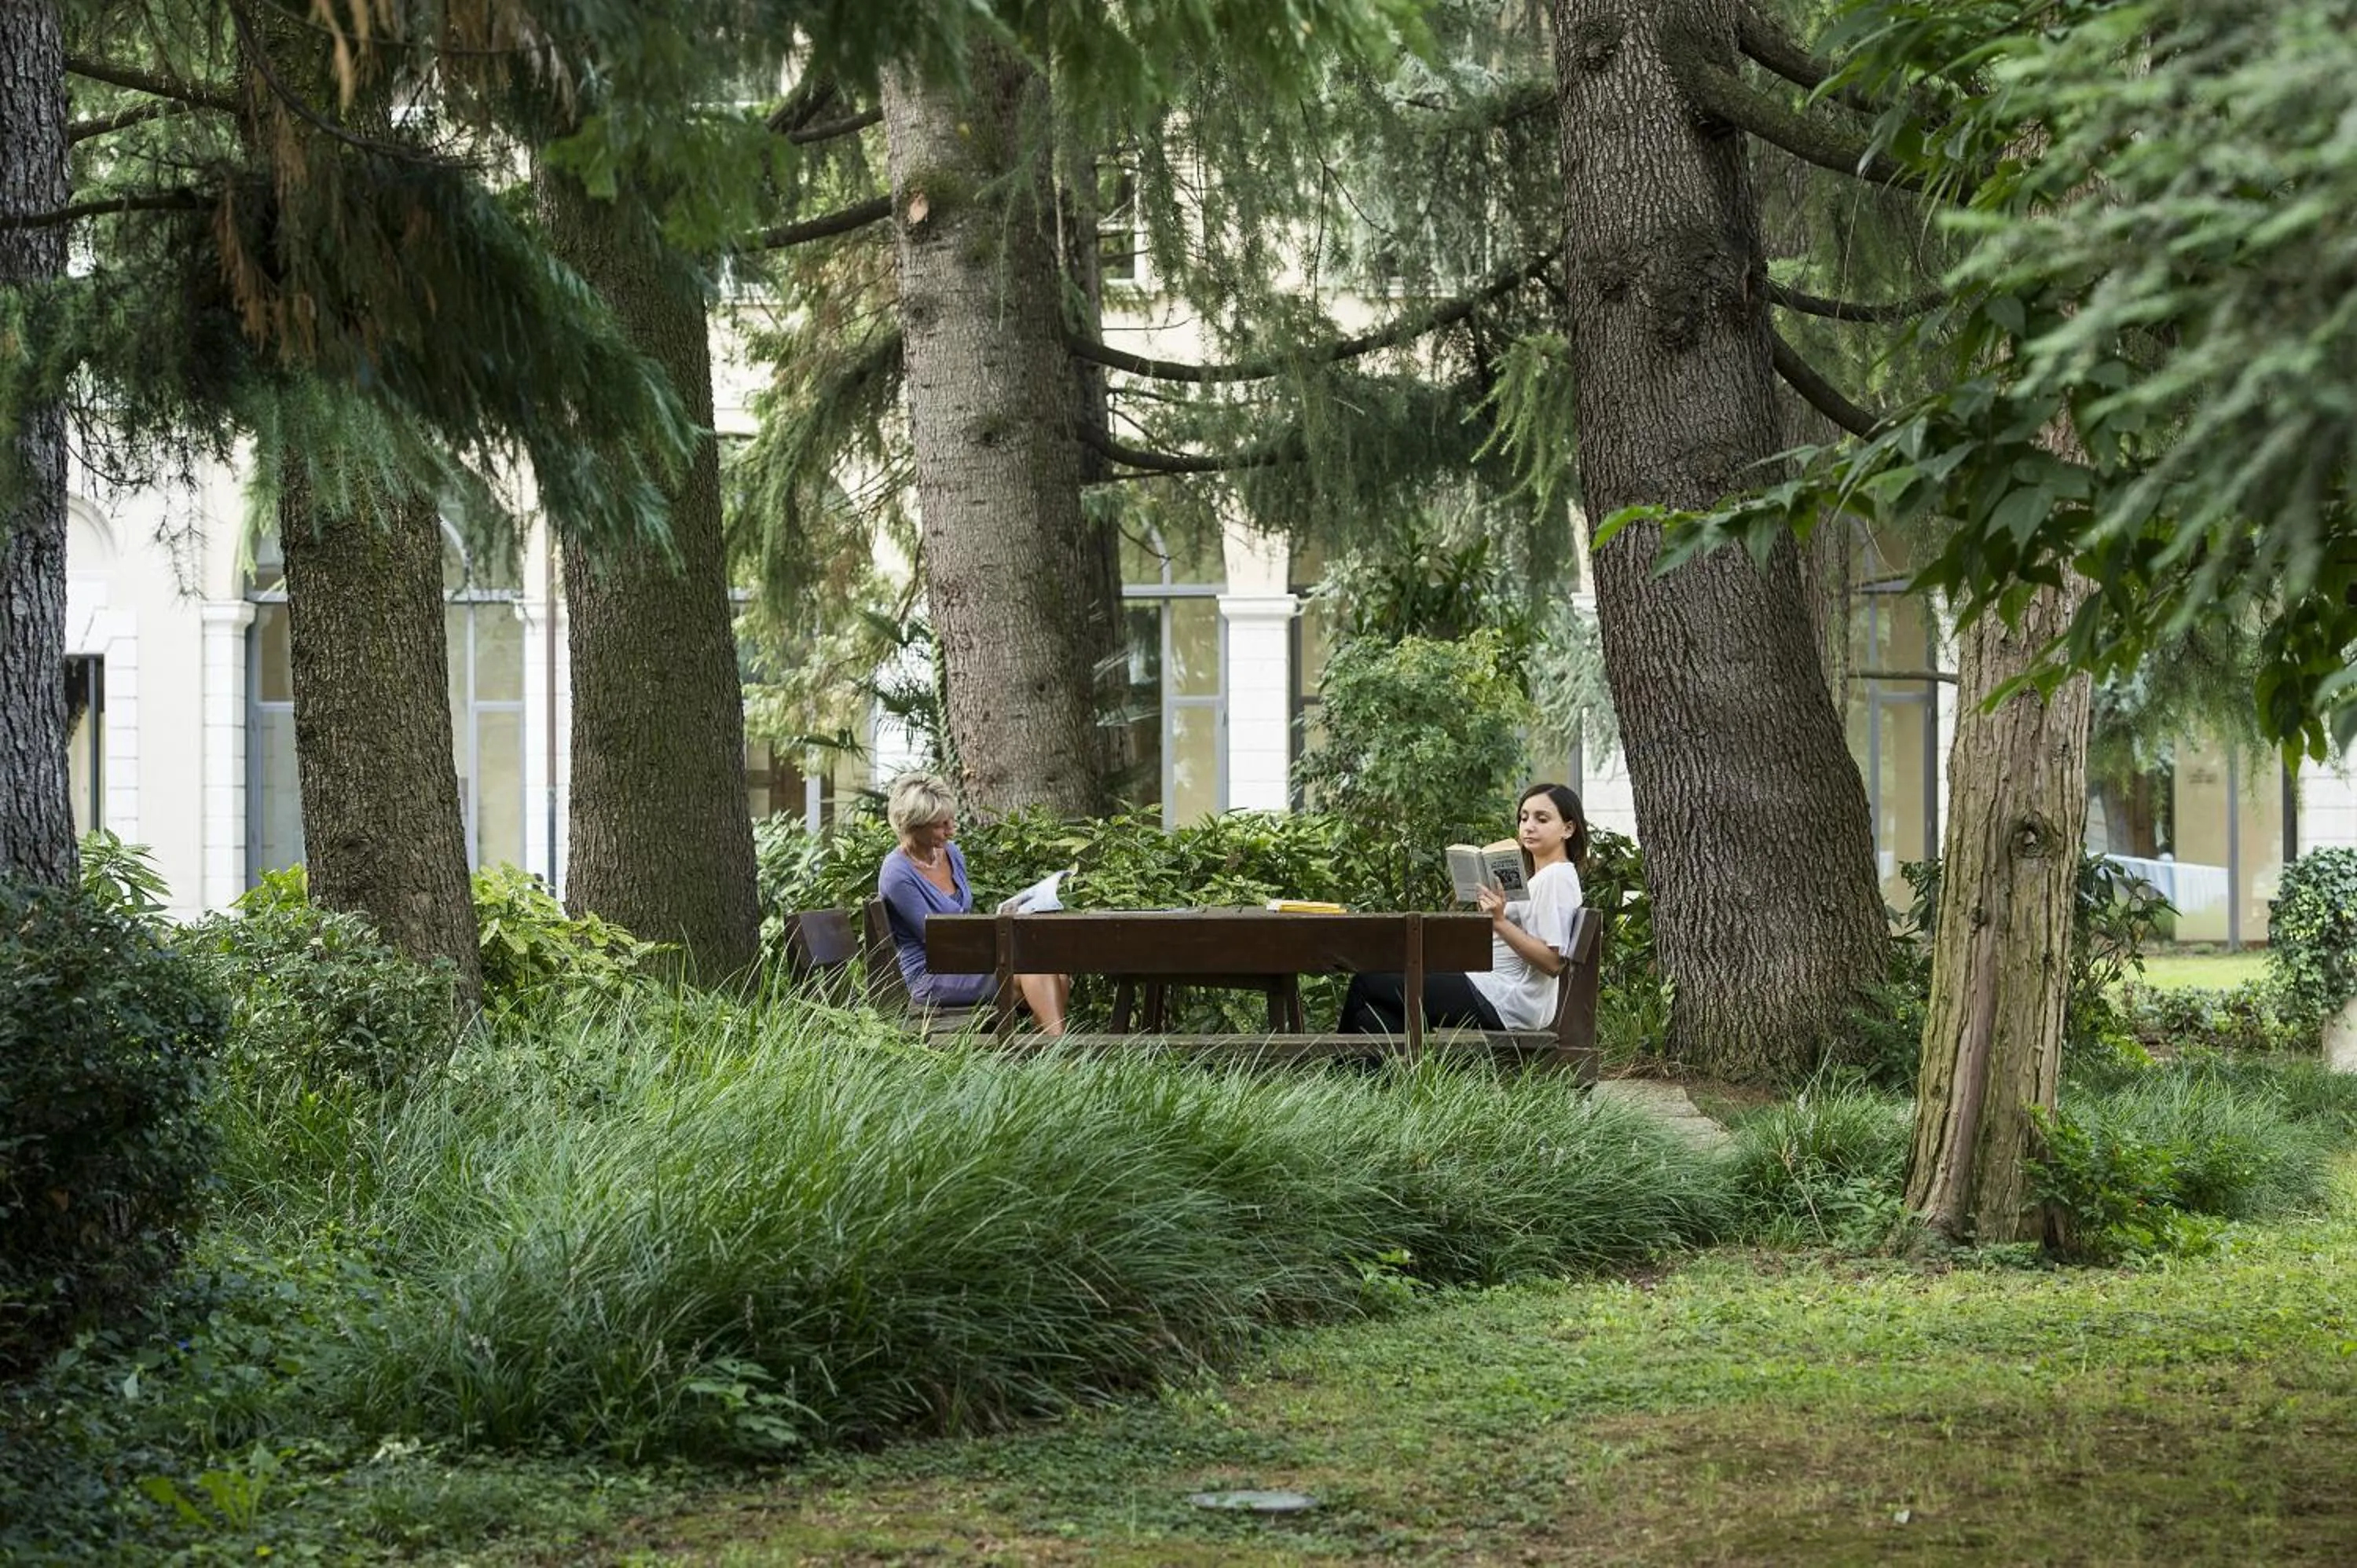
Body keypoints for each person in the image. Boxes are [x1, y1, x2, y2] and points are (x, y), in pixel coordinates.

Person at [1338, 782, 1587, 1036]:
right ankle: (1382, 1074)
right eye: (1523, 818)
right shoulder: (1542, 878)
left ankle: (1339, 1073)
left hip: (1506, 998)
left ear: (1568, 829)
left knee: (1366, 983)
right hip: (1494, 989)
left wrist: (1499, 921)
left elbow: (1553, 962)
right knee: (1373, 1014)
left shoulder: (1555, 877)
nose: (1529, 826)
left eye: (1541, 819)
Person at [876, 771, 1070, 1035]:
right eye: (940, 824)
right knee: (1035, 971)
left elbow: (961, 923)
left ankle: (1043, 1056)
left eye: (951, 820)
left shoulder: (951, 854)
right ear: (913, 824)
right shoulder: (897, 873)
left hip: (966, 961)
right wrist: (997, 939)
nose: (951, 830)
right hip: (932, 974)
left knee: (1058, 973)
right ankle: (1059, 1056)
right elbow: (937, 940)